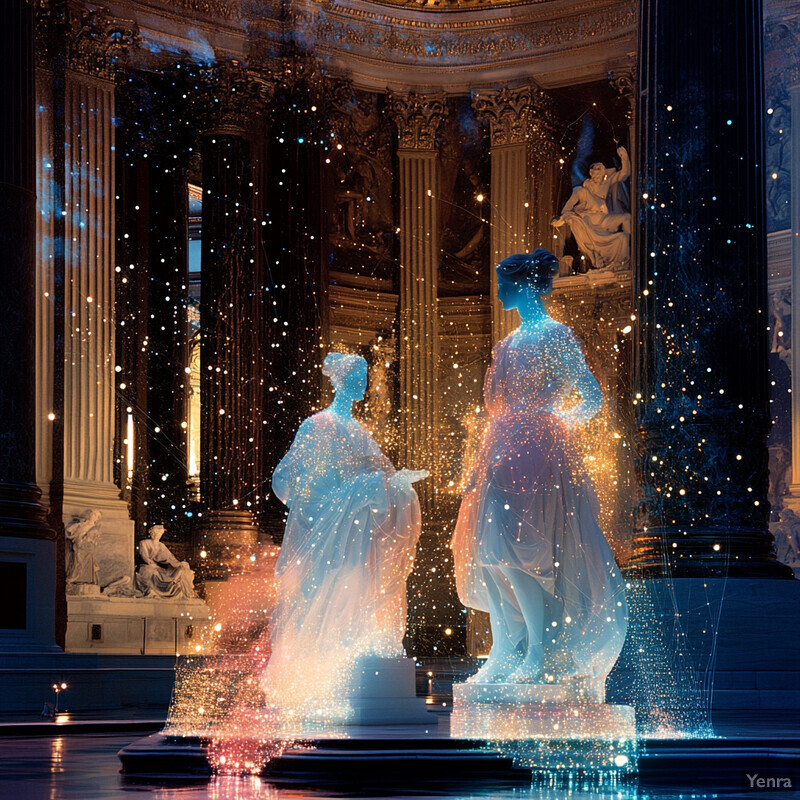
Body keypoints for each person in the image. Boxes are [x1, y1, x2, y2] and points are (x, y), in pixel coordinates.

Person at [452, 250, 627, 697]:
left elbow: (589, 396)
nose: (499, 291)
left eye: (504, 284)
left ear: (525, 285)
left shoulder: (556, 336)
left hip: (536, 453)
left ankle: (540, 649)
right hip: (500, 451)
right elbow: (494, 405)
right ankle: (508, 646)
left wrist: (553, 426)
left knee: (523, 549)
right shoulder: (506, 345)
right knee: (491, 551)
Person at [262, 352, 427, 718]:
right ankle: (327, 666)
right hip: (329, 531)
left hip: (357, 531)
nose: (362, 383)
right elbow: (298, 483)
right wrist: (357, 493)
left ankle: (355, 648)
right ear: (339, 380)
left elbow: (382, 473)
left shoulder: (359, 431)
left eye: (365, 376)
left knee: (360, 586)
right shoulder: (317, 426)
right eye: (356, 376)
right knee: (336, 587)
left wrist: (398, 483)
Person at [552, 145, 631, 270]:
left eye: (601, 168)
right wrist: (562, 219)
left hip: (603, 220)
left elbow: (625, 173)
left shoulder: (607, 183)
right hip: (590, 222)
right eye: (597, 168)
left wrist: (624, 157)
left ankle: (625, 264)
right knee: (621, 234)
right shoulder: (581, 191)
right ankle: (607, 262)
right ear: (591, 172)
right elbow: (566, 210)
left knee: (625, 226)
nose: (600, 171)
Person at [135, 525, 197, 599]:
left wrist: (179, 564)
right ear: (152, 534)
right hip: (148, 565)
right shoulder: (144, 543)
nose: (157, 535)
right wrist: (151, 564)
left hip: (159, 568)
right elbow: (144, 556)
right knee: (149, 571)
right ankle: (150, 592)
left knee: (182, 569)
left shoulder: (161, 546)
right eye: (156, 533)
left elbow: (170, 558)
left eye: (159, 534)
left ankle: (186, 593)